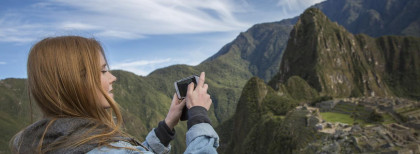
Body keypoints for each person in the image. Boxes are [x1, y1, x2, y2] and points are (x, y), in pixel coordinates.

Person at [10, 36, 219, 154]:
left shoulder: (41, 142)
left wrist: (166, 126)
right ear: (75, 83)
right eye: (102, 71)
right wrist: (199, 117)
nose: (113, 78)